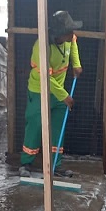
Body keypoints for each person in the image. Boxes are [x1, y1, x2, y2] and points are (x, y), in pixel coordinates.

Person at [19, 11, 83, 178]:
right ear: (60, 33)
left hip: (58, 92)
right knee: (35, 125)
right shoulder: (42, 46)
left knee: (58, 129)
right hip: (40, 91)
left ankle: (56, 164)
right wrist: (65, 96)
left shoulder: (69, 39)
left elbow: (74, 44)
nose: (73, 33)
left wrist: (76, 64)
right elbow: (45, 77)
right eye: (69, 31)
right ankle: (26, 163)